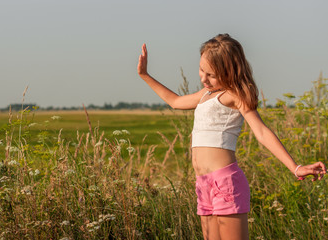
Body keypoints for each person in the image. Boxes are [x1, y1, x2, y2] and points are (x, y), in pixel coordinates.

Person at [137, 33, 326, 240]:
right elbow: (174, 101)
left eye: (211, 75)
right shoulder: (205, 94)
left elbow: (261, 131)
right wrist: (145, 75)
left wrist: (295, 167)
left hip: (225, 183)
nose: (203, 78)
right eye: (202, 70)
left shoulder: (234, 95)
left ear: (229, 71)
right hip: (203, 183)